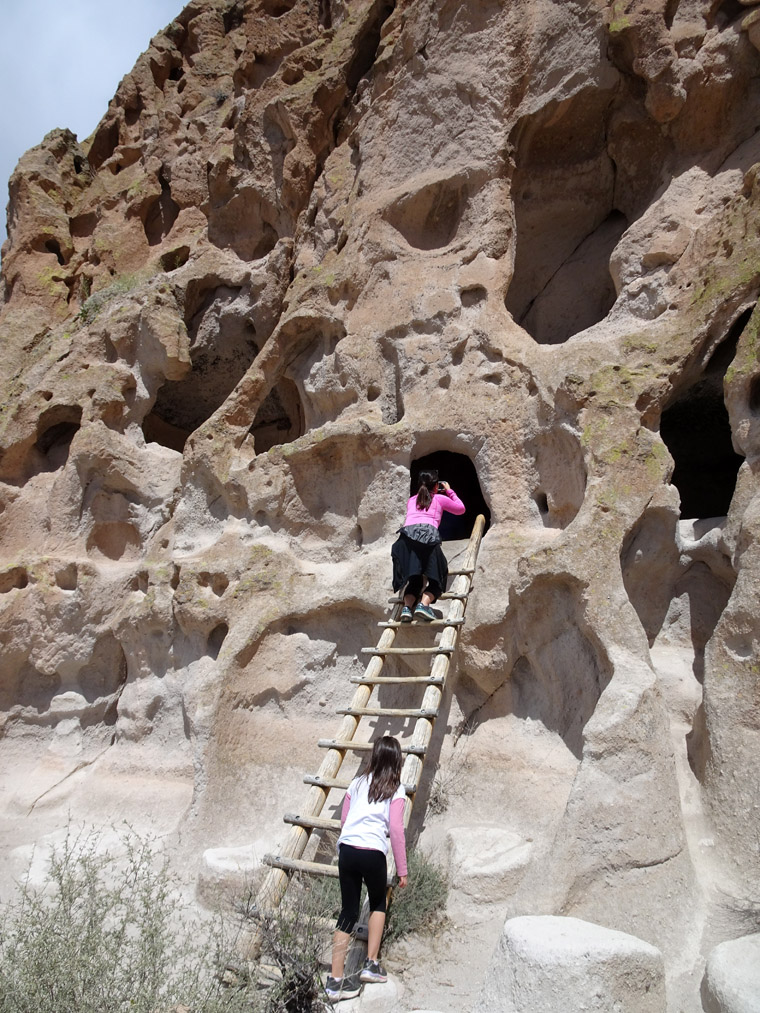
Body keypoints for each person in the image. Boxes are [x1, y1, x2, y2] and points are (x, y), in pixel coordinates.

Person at [325, 736, 408, 1003]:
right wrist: (402, 868)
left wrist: (349, 842)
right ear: (396, 760)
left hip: (348, 848)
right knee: (378, 904)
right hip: (372, 851)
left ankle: (334, 981)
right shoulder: (397, 789)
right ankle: (371, 964)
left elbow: (344, 819)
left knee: (347, 912)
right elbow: (395, 829)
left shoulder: (357, 782)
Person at [391, 469, 466, 622]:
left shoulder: (412, 500)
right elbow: (460, 509)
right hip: (427, 539)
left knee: (415, 579)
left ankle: (407, 608)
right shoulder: (439, 498)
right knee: (438, 576)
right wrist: (450, 491)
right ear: (435, 486)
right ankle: (423, 605)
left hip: (405, 540)